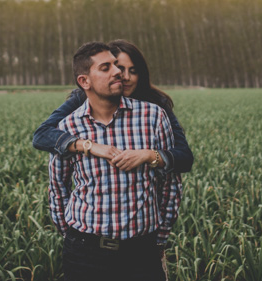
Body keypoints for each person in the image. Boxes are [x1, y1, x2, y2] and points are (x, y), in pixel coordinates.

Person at [48, 42, 182, 281]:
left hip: (142, 251)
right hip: (84, 253)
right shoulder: (68, 127)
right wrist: (68, 233)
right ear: (84, 82)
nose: (118, 72)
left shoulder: (153, 116)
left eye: (117, 66)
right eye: (106, 67)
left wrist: (160, 237)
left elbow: (170, 182)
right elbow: (58, 185)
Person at [33, 39, 194, 174]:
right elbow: (42, 135)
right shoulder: (83, 98)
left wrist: (148, 155)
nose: (124, 76)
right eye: (117, 67)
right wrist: (89, 146)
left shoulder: (156, 107)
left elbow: (184, 158)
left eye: (133, 71)